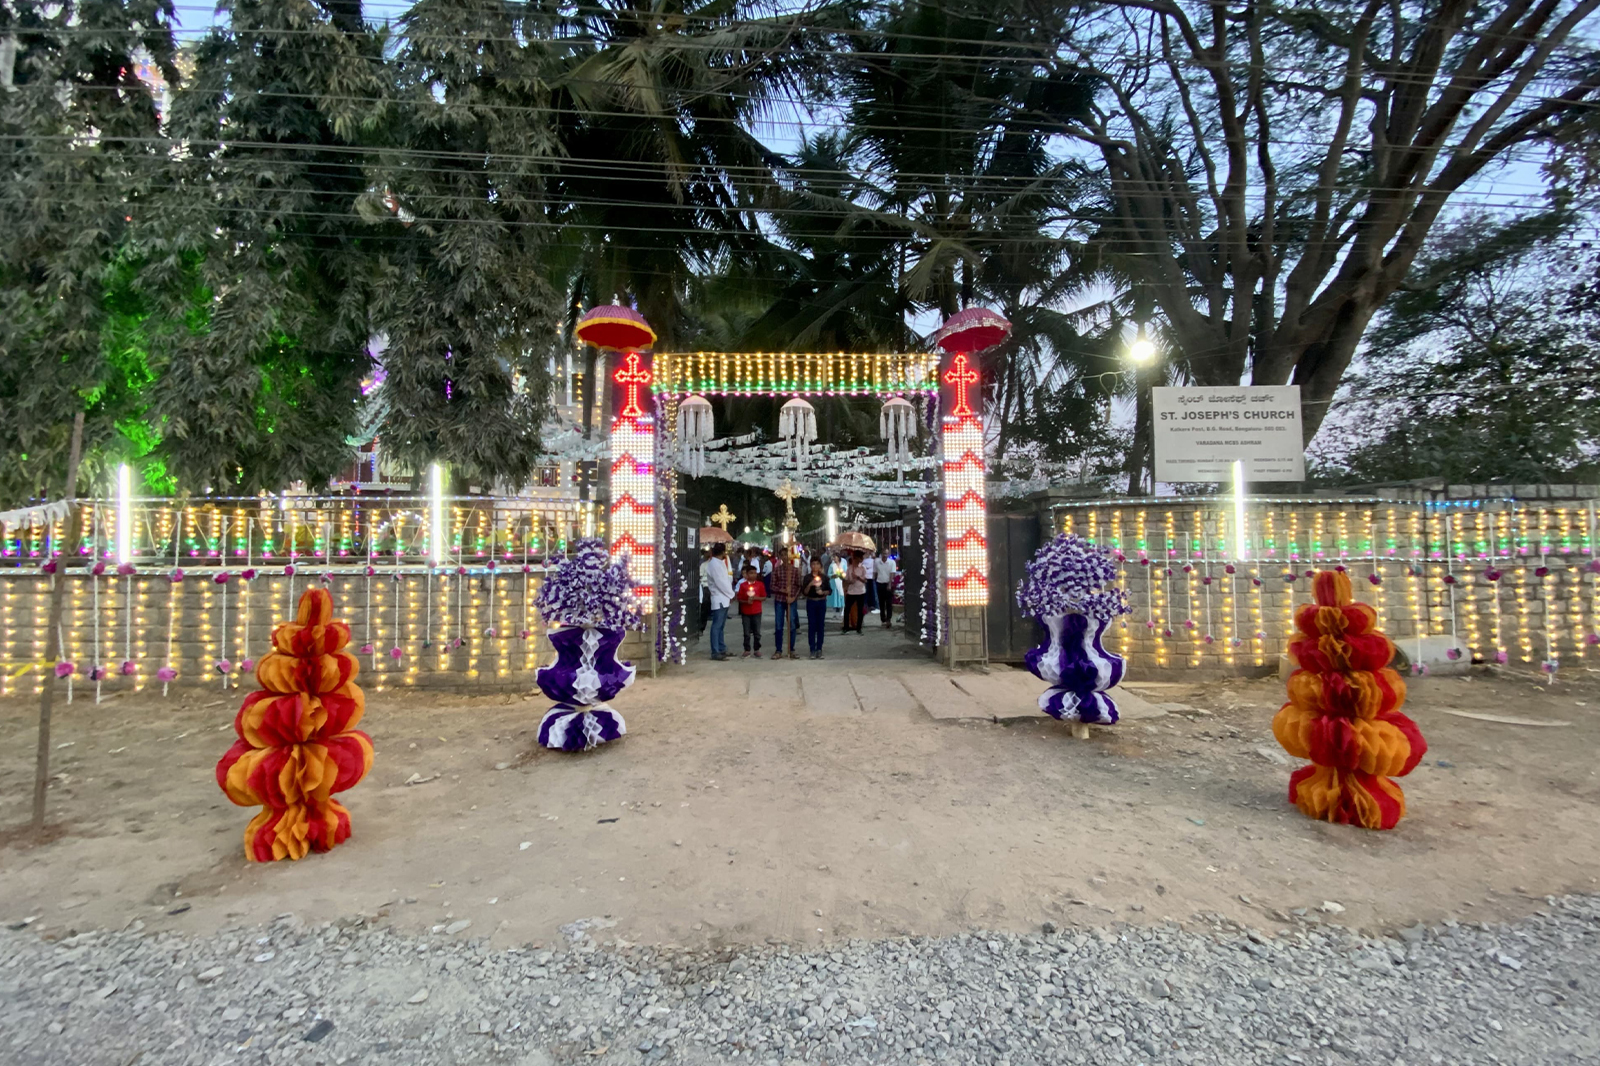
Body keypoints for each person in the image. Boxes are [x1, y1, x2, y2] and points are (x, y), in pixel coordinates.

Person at [701, 542, 734, 660]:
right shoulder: (714, 564)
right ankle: (715, 651)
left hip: (724, 597)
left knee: (721, 626)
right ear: (723, 552)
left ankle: (721, 647)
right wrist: (731, 594)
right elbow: (721, 582)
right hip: (719, 596)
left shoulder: (719, 563)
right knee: (717, 625)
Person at [768, 547, 802, 659]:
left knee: (792, 625)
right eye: (782, 555)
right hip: (779, 600)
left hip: (791, 600)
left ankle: (791, 649)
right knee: (779, 625)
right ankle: (778, 650)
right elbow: (772, 586)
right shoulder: (777, 570)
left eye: (786, 555)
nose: (785, 557)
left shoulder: (795, 570)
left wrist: (793, 597)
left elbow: (798, 587)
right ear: (780, 557)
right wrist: (782, 590)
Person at [735, 564, 767, 657]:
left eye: (755, 573)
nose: (753, 575)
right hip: (746, 611)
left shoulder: (760, 585)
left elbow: (764, 597)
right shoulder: (743, 585)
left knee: (757, 632)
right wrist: (746, 601)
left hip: (757, 611)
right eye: (751, 573)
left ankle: (757, 648)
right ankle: (747, 649)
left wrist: (756, 598)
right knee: (746, 632)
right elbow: (739, 598)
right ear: (747, 575)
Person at [803, 557, 831, 659]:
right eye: (813, 564)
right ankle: (812, 649)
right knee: (812, 625)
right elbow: (804, 592)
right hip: (811, 602)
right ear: (810, 566)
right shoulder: (807, 578)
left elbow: (829, 590)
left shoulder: (824, 578)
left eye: (817, 564)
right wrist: (810, 584)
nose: (815, 566)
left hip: (821, 602)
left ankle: (819, 648)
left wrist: (823, 592)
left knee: (820, 625)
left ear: (820, 566)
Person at [844, 550, 869, 634]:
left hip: (860, 592)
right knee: (847, 609)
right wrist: (848, 581)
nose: (856, 560)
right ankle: (846, 627)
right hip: (851, 592)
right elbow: (846, 579)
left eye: (858, 559)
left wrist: (857, 577)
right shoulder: (850, 568)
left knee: (860, 610)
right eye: (855, 559)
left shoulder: (863, 567)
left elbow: (865, 580)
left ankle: (859, 628)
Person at [876, 549, 898, 628]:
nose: (885, 554)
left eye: (887, 553)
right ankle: (883, 619)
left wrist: (889, 584)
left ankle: (888, 619)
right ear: (881, 553)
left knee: (889, 603)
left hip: (888, 584)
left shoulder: (892, 562)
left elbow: (892, 573)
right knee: (881, 603)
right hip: (880, 583)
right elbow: (875, 572)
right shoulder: (877, 562)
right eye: (884, 553)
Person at [827, 551, 845, 616]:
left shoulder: (843, 564)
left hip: (841, 582)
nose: (834, 559)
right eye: (834, 557)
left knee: (842, 595)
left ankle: (842, 610)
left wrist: (842, 575)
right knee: (834, 597)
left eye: (835, 557)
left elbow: (845, 572)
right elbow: (828, 574)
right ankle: (834, 612)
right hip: (834, 582)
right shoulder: (832, 565)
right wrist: (833, 575)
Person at [862, 548, 878, 613]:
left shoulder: (873, 560)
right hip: (865, 577)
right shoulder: (863, 560)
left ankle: (875, 606)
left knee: (873, 592)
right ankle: (865, 606)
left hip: (872, 577)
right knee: (866, 592)